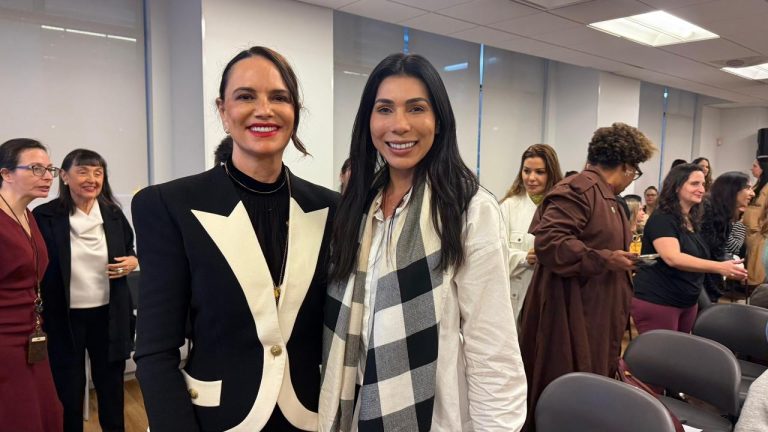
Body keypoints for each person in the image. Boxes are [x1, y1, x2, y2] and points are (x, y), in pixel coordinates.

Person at [132, 46, 339, 431]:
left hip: (311, 417)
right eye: (246, 96)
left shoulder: (331, 209)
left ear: (295, 112)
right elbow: (155, 350)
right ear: (223, 111)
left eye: (279, 97)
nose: (264, 110)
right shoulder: (169, 205)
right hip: (214, 418)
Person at [320, 53, 527, 431]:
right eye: (385, 109)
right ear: (368, 120)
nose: (399, 125)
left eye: (416, 108)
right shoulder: (358, 207)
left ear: (439, 121)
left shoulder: (468, 210)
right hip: (353, 413)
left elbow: (492, 349)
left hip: (432, 418)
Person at [518, 122, 656, 432]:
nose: (630, 179)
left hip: (596, 311)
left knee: (590, 388)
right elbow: (550, 243)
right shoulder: (577, 190)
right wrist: (606, 259)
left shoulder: (606, 197)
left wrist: (616, 261)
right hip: (570, 314)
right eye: (633, 172)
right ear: (624, 164)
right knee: (566, 387)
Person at [34, 149, 137, 432]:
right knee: (68, 389)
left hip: (109, 314)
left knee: (111, 388)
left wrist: (133, 261)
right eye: (83, 171)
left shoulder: (113, 214)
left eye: (98, 172)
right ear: (65, 177)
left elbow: (130, 250)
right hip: (63, 318)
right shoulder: (45, 216)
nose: (92, 178)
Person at [631, 164, 748, 334]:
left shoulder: (692, 218)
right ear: (677, 186)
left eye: (702, 184)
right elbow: (673, 258)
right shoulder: (663, 218)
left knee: (679, 356)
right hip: (660, 299)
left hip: (687, 300)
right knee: (660, 357)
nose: (701, 189)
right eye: (694, 184)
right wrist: (720, 267)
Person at [0, 138, 63, 431]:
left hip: (32, 333)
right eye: (36, 168)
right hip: (4, 341)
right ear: (6, 173)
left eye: (49, 168)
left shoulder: (27, 214)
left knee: (46, 412)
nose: (48, 176)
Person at [499, 144, 563, 319]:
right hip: (516, 297)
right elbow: (496, 253)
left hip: (550, 297)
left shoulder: (562, 207)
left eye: (539, 172)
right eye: (526, 171)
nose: (531, 178)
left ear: (551, 173)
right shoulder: (509, 207)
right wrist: (524, 258)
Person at [699, 171, 754, 302]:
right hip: (694, 282)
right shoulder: (706, 209)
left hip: (705, 282)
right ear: (732, 190)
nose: (752, 193)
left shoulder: (724, 215)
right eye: (748, 188)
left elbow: (717, 250)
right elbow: (704, 251)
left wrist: (730, 265)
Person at [745, 158, 768, 290]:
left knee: (757, 269)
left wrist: (761, 230)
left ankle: (756, 296)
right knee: (751, 267)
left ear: (764, 168)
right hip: (751, 232)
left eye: (755, 166)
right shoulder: (758, 184)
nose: (752, 168)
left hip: (760, 234)